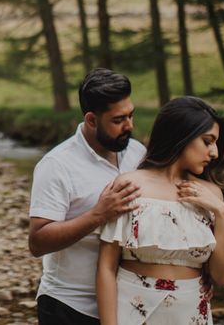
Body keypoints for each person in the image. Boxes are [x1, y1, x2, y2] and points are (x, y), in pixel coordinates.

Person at [96, 96, 224, 325]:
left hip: (191, 312)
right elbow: (106, 267)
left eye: (215, 144)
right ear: (181, 136)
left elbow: (223, 277)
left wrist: (221, 212)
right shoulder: (129, 186)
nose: (214, 153)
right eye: (207, 141)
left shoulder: (212, 195)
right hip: (132, 310)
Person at [29, 68, 146, 324]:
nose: (129, 126)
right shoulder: (56, 165)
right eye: (118, 120)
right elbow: (37, 242)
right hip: (69, 306)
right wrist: (98, 215)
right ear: (92, 120)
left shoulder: (137, 152)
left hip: (128, 305)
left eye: (131, 115)